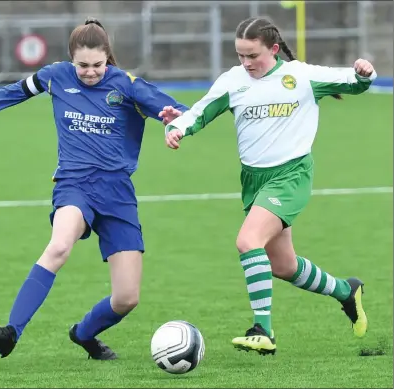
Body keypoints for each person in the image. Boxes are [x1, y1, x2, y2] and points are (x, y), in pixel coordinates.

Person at [0, 18, 188, 360]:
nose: (89, 72)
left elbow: (183, 113)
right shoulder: (55, 76)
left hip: (117, 194)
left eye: (97, 65)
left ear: (107, 58)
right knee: (59, 246)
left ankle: (84, 334)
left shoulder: (128, 85)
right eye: (82, 65)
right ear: (71, 59)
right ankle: (11, 331)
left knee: (127, 297)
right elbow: (7, 96)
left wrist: (177, 123)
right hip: (74, 184)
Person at [160, 17, 375, 355]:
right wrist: (178, 129)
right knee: (283, 266)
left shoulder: (300, 76)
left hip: (291, 175)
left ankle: (264, 330)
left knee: (248, 241)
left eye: (253, 56)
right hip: (254, 180)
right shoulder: (234, 81)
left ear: (273, 50)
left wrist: (364, 72)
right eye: (240, 56)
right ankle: (346, 292)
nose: (246, 63)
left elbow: (354, 81)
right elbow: (200, 111)